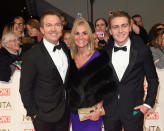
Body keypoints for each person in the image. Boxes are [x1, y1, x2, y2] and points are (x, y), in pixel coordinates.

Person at [103, 10, 159, 131]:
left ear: (130, 27)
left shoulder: (142, 50)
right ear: (111, 31)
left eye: (124, 26)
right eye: (115, 27)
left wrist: (147, 104)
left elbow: (153, 79)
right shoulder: (103, 52)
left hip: (135, 111)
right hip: (110, 111)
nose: (120, 30)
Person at [19, 10, 70, 131]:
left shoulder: (65, 49)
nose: (54, 29)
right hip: (43, 117)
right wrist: (34, 114)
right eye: (49, 25)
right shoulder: (31, 55)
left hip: (64, 113)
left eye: (57, 25)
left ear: (62, 27)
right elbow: (25, 89)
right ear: (42, 29)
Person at [68, 18, 116, 131]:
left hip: (93, 113)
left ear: (90, 36)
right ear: (73, 37)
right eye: (77, 33)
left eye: (84, 33)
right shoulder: (70, 59)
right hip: (75, 114)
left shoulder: (99, 57)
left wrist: (98, 109)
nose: (81, 37)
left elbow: (109, 86)